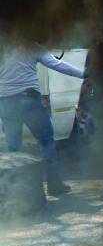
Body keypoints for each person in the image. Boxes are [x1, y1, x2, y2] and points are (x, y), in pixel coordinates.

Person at [0, 49, 87, 195]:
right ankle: (54, 184)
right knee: (46, 142)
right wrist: (85, 75)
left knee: (13, 148)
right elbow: (57, 65)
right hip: (29, 100)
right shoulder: (30, 45)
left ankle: (13, 191)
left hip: (6, 102)